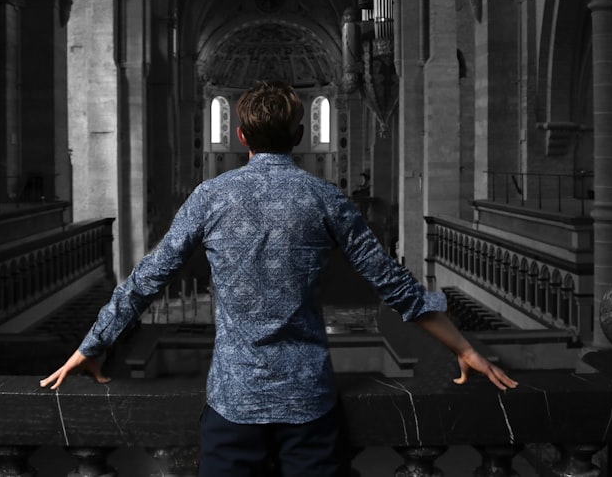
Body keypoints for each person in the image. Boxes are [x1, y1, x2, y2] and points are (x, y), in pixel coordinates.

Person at [40, 81, 517, 476]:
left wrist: (92, 344)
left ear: (242, 136)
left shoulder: (210, 198)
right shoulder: (325, 198)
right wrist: (464, 348)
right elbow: (396, 286)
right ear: (301, 134)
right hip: (308, 401)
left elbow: (147, 279)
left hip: (233, 402)